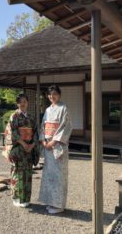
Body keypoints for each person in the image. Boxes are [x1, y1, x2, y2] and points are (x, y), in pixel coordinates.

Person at [38, 85, 72, 214]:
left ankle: (59, 205)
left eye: (54, 94)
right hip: (48, 146)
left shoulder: (64, 108)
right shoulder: (47, 110)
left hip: (58, 146)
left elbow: (66, 127)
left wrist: (53, 141)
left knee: (59, 175)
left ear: (59, 95)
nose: (52, 96)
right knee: (49, 175)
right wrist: (43, 140)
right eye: (50, 94)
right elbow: (43, 126)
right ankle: (50, 201)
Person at [8, 93, 38, 208]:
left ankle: (26, 198)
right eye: (20, 102)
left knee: (28, 173)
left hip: (29, 149)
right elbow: (13, 132)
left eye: (24, 101)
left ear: (28, 103)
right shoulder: (14, 116)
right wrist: (23, 143)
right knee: (17, 172)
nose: (22, 104)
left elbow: (36, 132)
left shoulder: (31, 117)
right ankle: (16, 197)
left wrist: (32, 144)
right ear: (17, 103)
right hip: (19, 148)